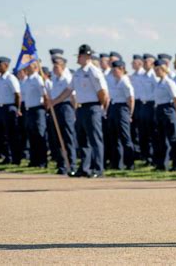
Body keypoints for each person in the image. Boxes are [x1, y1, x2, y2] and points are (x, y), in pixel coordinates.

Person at [52, 44, 108, 178]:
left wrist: (100, 107)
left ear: (86, 57)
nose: (78, 58)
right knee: (82, 140)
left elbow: (102, 92)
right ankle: (84, 168)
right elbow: (69, 90)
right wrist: (54, 101)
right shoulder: (77, 73)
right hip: (81, 107)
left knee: (95, 139)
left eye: (80, 56)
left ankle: (98, 168)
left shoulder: (93, 72)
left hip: (92, 107)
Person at [48, 56, 78, 175]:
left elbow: (73, 97)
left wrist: (74, 112)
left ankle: (72, 164)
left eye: (56, 67)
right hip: (56, 107)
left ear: (62, 67)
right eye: (54, 67)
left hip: (66, 107)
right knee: (58, 137)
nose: (54, 69)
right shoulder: (55, 78)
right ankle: (62, 165)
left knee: (68, 137)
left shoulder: (67, 78)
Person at [153, 59, 176, 171]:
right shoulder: (158, 82)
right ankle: (162, 164)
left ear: (163, 69)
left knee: (173, 138)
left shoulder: (169, 82)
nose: (155, 72)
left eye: (157, 69)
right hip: (159, 109)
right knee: (161, 139)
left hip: (168, 110)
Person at [108, 60, 135, 170]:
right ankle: (117, 164)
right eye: (113, 70)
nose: (114, 72)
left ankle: (130, 164)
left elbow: (130, 99)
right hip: (114, 107)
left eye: (116, 70)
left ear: (122, 69)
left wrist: (130, 113)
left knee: (125, 137)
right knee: (114, 138)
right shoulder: (114, 81)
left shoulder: (125, 81)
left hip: (123, 108)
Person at [0, 57, 21, 165]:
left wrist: (17, 109)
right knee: (3, 135)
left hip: (9, 107)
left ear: (6, 65)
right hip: (0, 108)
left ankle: (16, 158)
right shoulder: (0, 79)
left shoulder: (10, 78)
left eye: (0, 64)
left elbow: (17, 94)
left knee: (12, 134)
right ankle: (7, 156)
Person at [22, 61, 48, 168]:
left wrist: (46, 109)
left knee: (39, 135)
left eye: (30, 67)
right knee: (31, 136)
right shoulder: (27, 80)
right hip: (29, 110)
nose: (27, 69)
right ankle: (34, 160)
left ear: (35, 67)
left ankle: (42, 161)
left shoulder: (37, 79)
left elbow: (44, 95)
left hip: (38, 109)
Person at [138, 53, 158, 165]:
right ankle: (146, 157)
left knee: (152, 133)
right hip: (143, 105)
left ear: (151, 63)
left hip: (151, 105)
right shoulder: (142, 75)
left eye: (146, 62)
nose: (144, 64)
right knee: (143, 132)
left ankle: (152, 157)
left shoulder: (154, 75)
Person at [130, 54, 146, 159]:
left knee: (142, 128)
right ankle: (136, 151)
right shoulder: (132, 75)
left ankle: (143, 152)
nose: (132, 64)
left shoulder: (144, 74)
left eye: (134, 63)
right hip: (134, 102)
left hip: (142, 103)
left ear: (140, 63)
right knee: (134, 129)